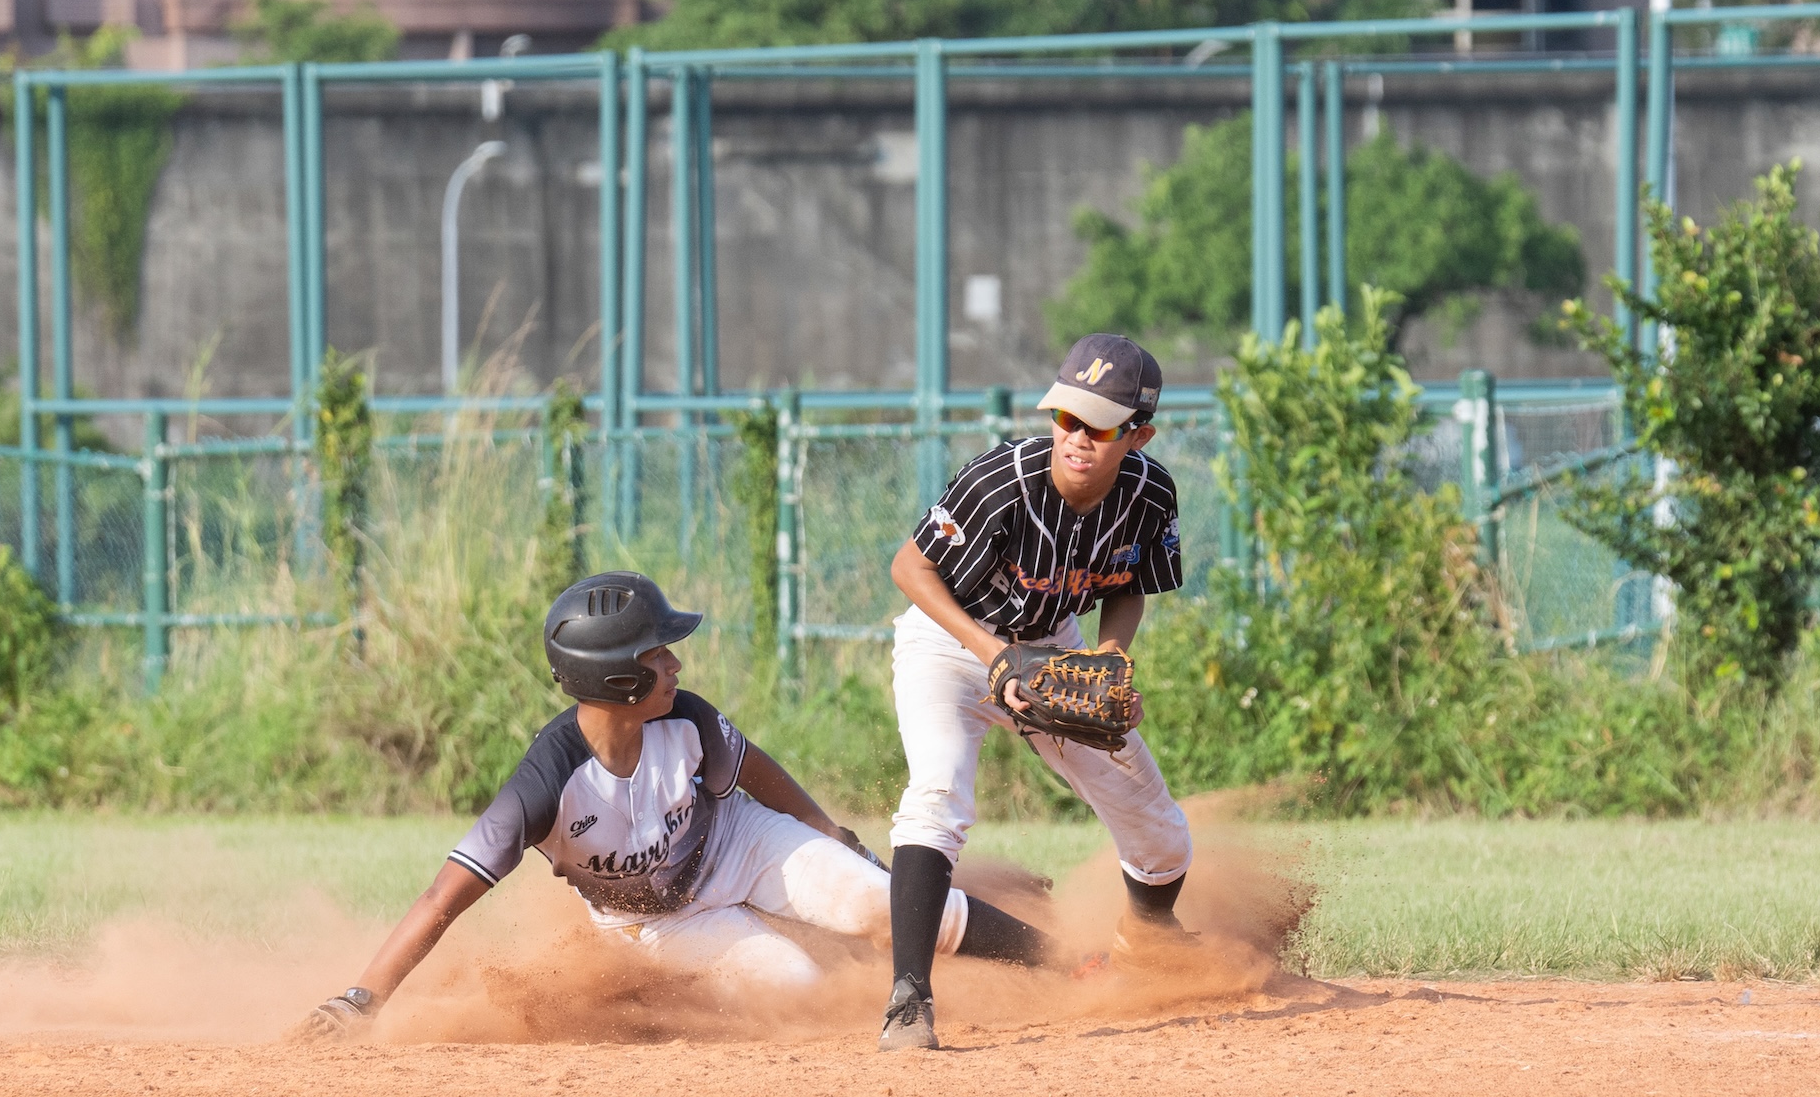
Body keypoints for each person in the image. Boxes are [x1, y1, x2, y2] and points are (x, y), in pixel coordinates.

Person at [297, 571, 1057, 1039]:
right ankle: (836, 938)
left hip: (739, 844)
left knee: (871, 900)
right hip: (654, 926)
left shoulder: (685, 720)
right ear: (617, 679)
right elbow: (442, 897)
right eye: (656, 654)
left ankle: (1065, 964)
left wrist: (831, 834)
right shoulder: (545, 787)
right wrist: (361, 1000)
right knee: (792, 987)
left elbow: (758, 772)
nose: (675, 663)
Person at [876, 333, 1196, 1052]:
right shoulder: (1003, 483)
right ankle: (909, 998)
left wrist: (1111, 661)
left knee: (1159, 827)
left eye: (1100, 425)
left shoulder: (1150, 496)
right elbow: (909, 569)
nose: (1078, 437)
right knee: (938, 794)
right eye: (1067, 418)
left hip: (1053, 648)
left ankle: (1150, 940)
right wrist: (996, 660)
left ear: (1137, 434)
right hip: (952, 645)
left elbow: (1131, 589)